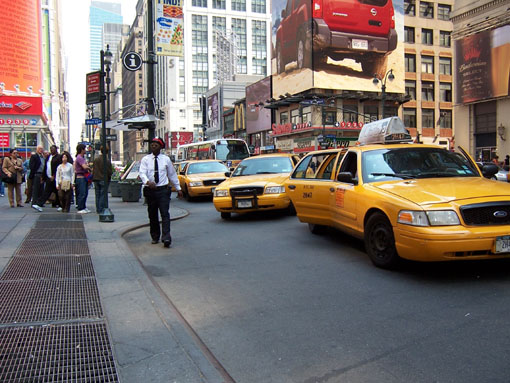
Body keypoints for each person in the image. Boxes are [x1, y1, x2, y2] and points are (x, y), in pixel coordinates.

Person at [139, 137, 183, 248]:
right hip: (150, 191)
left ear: (161, 147)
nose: (153, 146)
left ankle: (166, 237)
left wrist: (178, 188)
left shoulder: (166, 159)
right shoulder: (145, 159)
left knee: (165, 214)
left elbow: (172, 174)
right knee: (152, 214)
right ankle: (155, 236)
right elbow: (142, 173)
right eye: (152, 144)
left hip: (163, 190)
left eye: (156, 144)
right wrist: (147, 182)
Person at [34, 144, 62, 211]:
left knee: (57, 192)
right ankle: (39, 204)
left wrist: (54, 175)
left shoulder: (58, 157)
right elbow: (45, 167)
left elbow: (59, 168)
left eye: (53, 149)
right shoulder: (49, 157)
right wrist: (43, 177)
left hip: (55, 178)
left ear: (56, 150)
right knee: (46, 192)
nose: (52, 150)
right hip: (48, 178)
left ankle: (61, 205)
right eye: (51, 149)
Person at [92, 145, 113, 214]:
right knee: (102, 195)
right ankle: (101, 209)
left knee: (97, 195)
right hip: (103, 179)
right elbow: (110, 171)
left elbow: (94, 170)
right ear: (107, 152)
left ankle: (98, 209)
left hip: (96, 179)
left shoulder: (96, 160)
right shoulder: (106, 161)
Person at [74, 143, 91, 214]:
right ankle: (81, 207)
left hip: (83, 178)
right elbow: (84, 167)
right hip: (81, 178)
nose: (85, 150)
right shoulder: (80, 158)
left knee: (84, 193)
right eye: (84, 149)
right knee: (82, 193)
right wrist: (90, 167)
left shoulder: (81, 158)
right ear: (81, 150)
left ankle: (83, 207)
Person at [29, 146, 46, 212]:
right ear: (37, 150)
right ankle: (34, 202)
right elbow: (31, 166)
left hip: (42, 174)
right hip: (36, 174)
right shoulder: (34, 156)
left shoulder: (43, 157)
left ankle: (39, 202)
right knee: (35, 189)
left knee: (41, 189)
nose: (41, 150)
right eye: (39, 149)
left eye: (42, 149)